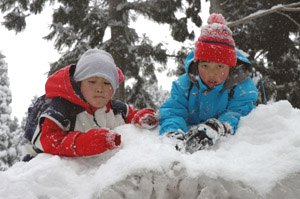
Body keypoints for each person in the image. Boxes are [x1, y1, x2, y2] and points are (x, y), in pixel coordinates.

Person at [24, 49, 158, 158]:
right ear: (79, 83)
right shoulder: (61, 109)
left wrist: (144, 117)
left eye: (107, 83)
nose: (100, 88)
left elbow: (134, 116)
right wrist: (84, 143)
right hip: (49, 176)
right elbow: (48, 140)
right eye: (92, 82)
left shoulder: (117, 109)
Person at [159, 13, 258, 153]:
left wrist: (220, 126)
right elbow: (173, 111)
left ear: (230, 67)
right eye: (205, 66)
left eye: (219, 67)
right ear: (196, 65)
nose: (212, 74)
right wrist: (173, 132)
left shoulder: (242, 88)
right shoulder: (184, 85)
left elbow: (238, 112)